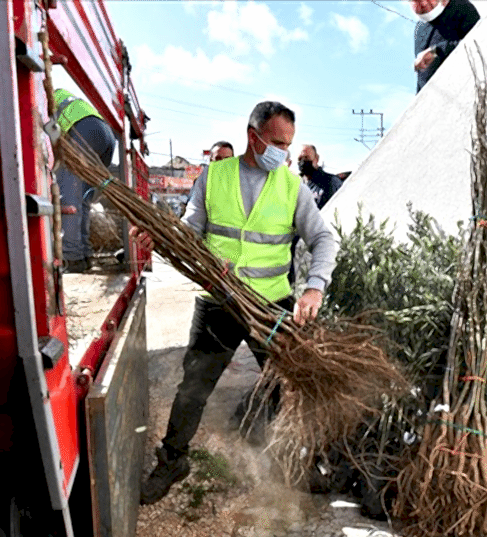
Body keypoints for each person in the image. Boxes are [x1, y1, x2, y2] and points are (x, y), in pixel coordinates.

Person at [140, 101, 338, 505]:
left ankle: (294, 462)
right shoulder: (214, 176)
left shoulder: (291, 187)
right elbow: (190, 229)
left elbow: (324, 239)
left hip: (271, 307)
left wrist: (314, 287)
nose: (284, 152)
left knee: (287, 388)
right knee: (192, 389)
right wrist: (168, 238)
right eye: (278, 142)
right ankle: (173, 460)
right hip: (219, 302)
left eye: (290, 144)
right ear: (254, 136)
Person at [53, 88, 117, 272]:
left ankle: (72, 258)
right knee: (82, 200)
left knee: (69, 198)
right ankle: (85, 255)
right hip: (106, 137)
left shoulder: (40, 96)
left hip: (83, 132)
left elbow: (46, 144)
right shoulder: (64, 96)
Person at [411, 0, 480, 93]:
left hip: (465, 90)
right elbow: (422, 76)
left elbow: (477, 42)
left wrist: (436, 52)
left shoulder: (461, 6)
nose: (423, 3)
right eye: (416, 1)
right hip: (434, 100)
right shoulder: (419, 28)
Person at [297, 144, 343, 210]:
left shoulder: (331, 182)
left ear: (316, 158)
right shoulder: (298, 184)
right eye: (300, 159)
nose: (303, 161)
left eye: (306, 157)